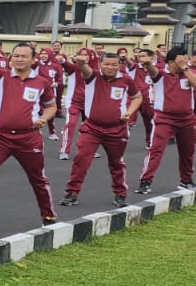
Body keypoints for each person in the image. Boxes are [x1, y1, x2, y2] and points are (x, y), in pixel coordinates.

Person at [0, 43, 58, 226]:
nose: (19, 59)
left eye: (24, 56)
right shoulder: (2, 76)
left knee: (38, 179)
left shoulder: (42, 82)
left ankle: (48, 216)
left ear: (33, 60)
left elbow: (51, 106)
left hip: (28, 139)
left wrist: (43, 119)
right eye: (16, 56)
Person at [60, 49, 142, 208]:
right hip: (92, 128)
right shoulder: (92, 77)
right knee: (81, 159)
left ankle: (120, 194)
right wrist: (81, 62)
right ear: (99, 64)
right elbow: (84, 69)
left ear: (119, 65)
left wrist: (130, 112)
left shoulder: (125, 80)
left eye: (114, 65)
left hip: (117, 129)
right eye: (106, 64)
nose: (110, 68)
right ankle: (71, 193)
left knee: (116, 163)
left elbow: (137, 97)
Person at [136, 46, 196, 194]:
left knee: (188, 151)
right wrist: (147, 63)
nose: (184, 63)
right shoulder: (160, 75)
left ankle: (186, 180)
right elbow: (152, 71)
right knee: (156, 150)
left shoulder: (187, 74)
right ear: (171, 62)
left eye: (185, 60)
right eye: (180, 60)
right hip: (164, 119)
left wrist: (185, 67)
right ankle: (145, 180)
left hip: (187, 119)